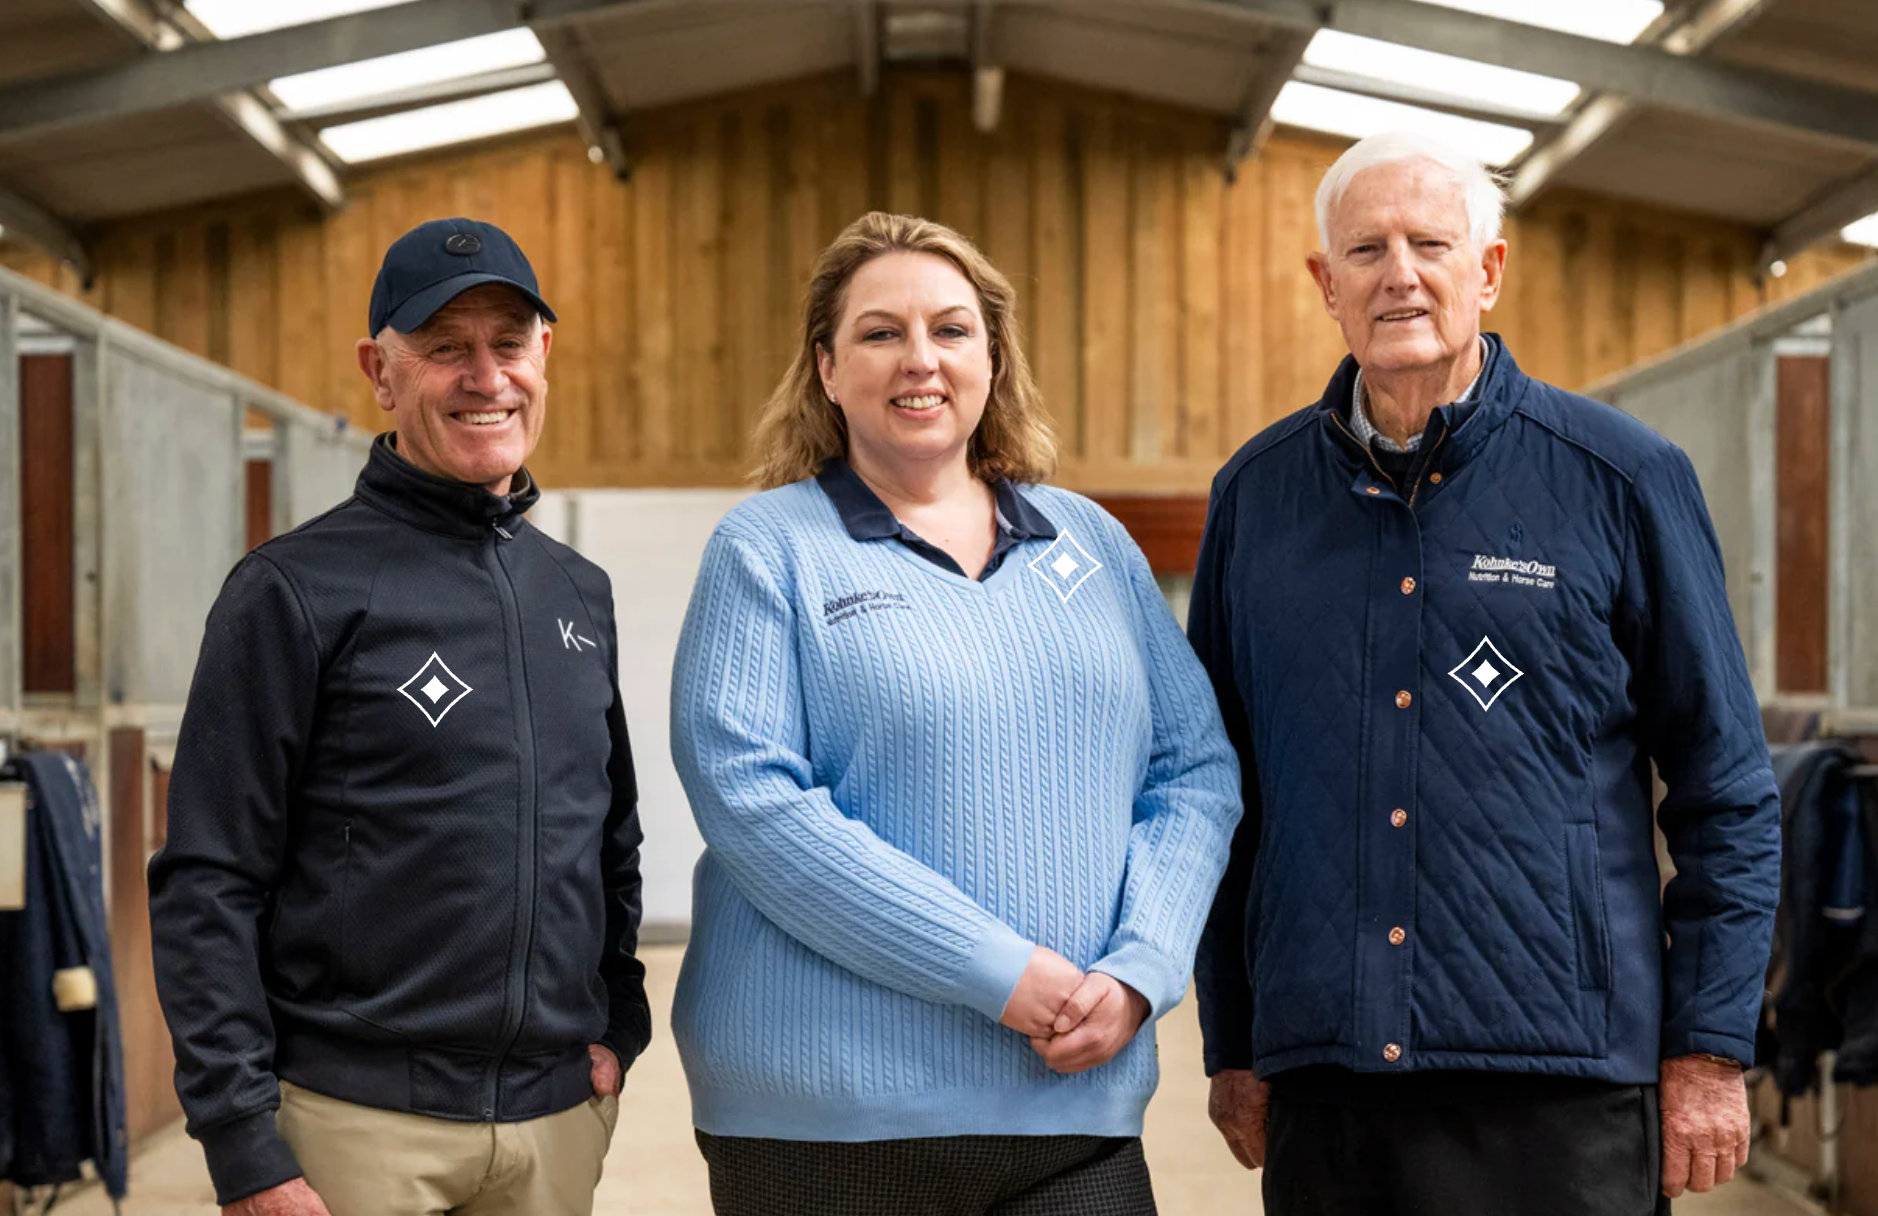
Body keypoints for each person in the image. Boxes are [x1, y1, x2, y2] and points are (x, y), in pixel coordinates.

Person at [1189, 130, 1782, 1216]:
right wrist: (1233, 1035)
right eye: (1365, 250)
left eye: (1430, 243)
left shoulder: (1621, 479)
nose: (1399, 274)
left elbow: (1725, 789)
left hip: (1562, 1086)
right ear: (1326, 284)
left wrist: (1707, 1048)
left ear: (1489, 270)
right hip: (1332, 1080)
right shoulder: (1257, 498)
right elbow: (1218, 794)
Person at [668, 211, 1241, 1216]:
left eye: (951, 329)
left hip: (1077, 1108)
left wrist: (1143, 969)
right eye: (880, 332)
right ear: (827, 369)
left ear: (994, 357)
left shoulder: (1093, 544)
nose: (919, 359)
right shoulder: (769, 549)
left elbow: (1192, 770)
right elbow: (756, 807)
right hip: (829, 1120)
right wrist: (1001, 974)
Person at [149, 218, 651, 1216]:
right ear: (381, 370)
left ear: (543, 356)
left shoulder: (577, 592)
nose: (485, 377)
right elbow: (209, 878)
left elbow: (609, 836)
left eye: (508, 344)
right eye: (445, 348)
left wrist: (618, 1022)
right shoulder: (294, 589)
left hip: (554, 1125)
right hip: (355, 1128)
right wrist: (245, 1140)